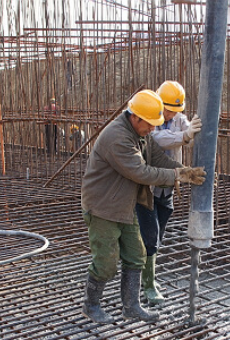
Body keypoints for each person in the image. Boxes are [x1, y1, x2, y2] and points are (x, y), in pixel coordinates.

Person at [80, 89, 206, 324]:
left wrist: (185, 170)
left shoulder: (140, 132)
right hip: (103, 208)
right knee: (106, 262)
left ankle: (132, 307)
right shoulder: (117, 137)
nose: (153, 129)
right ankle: (91, 305)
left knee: (136, 255)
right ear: (135, 117)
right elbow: (141, 172)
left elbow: (156, 159)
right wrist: (179, 175)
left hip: (125, 205)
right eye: (149, 124)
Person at [136, 80, 202, 306]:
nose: (172, 115)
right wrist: (185, 136)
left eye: (176, 111)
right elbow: (160, 141)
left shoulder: (177, 118)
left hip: (168, 190)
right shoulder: (150, 124)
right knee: (150, 236)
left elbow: (186, 128)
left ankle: (148, 276)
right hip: (148, 190)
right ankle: (147, 286)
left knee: (157, 237)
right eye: (169, 110)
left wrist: (191, 128)